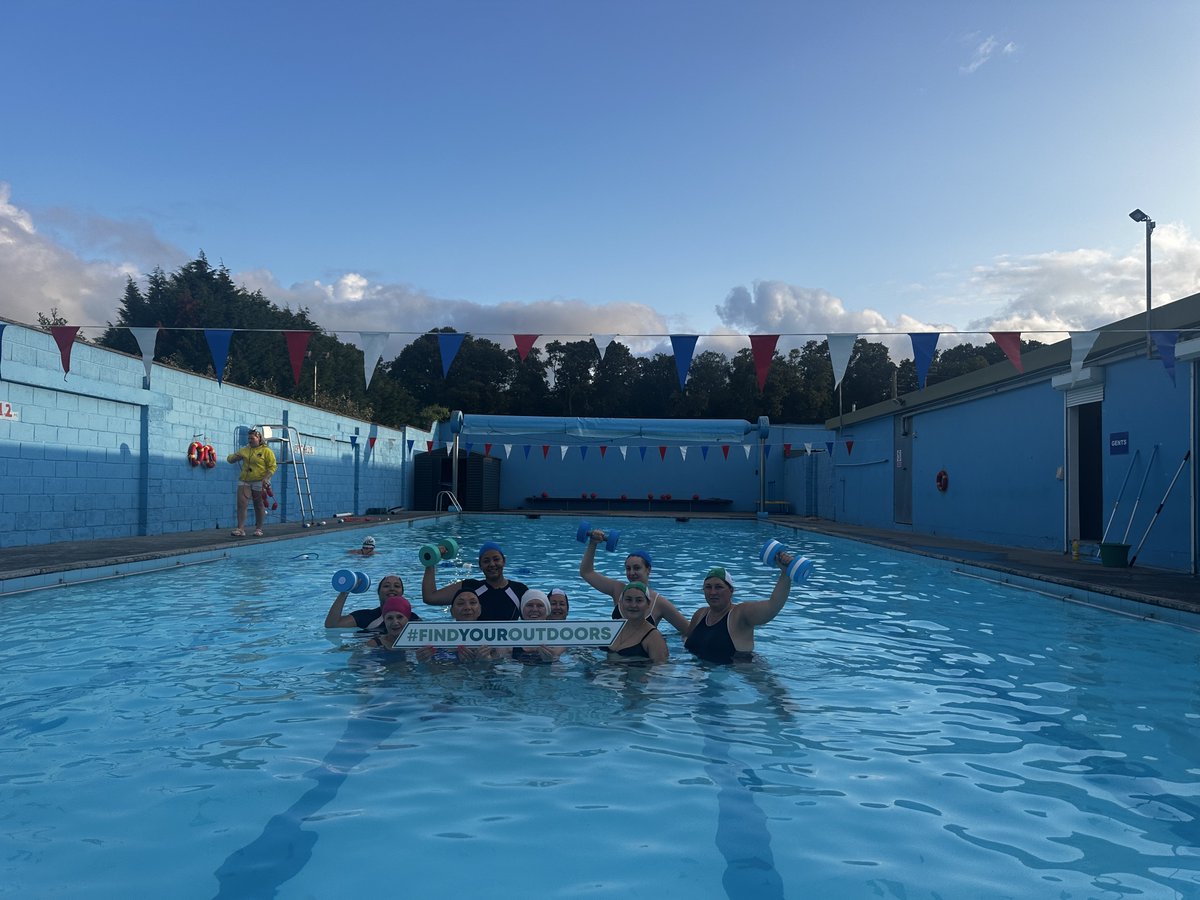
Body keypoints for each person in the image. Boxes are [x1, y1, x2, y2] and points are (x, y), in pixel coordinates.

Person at [684, 552, 801, 664]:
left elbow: (773, 606)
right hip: (700, 672)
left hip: (737, 673)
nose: (713, 592)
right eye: (708, 587)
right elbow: (685, 639)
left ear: (731, 591)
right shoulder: (700, 614)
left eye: (719, 587)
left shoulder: (739, 614)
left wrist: (785, 574)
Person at [579, 534, 690, 635]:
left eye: (637, 568)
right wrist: (592, 544)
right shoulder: (617, 589)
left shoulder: (658, 602)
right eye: (628, 569)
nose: (631, 573)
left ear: (648, 569)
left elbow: (688, 630)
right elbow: (587, 573)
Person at [422, 541, 527, 621]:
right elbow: (430, 597)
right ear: (480, 565)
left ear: (504, 561)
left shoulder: (519, 590)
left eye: (496, 559)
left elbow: (538, 616)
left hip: (507, 647)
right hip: (473, 647)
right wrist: (431, 561)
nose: (492, 564)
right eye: (486, 561)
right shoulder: (469, 587)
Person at [417, 588, 499, 662]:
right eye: (460, 603)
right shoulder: (436, 643)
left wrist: (486, 663)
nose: (467, 607)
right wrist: (425, 660)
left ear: (480, 610)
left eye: (473, 603)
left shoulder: (496, 643)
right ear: (452, 612)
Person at [226, 428, 277, 537]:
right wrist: (235, 457)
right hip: (245, 480)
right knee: (241, 503)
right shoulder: (244, 450)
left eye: (252, 438)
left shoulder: (266, 451)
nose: (249, 440)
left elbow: (272, 466)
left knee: (258, 505)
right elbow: (229, 459)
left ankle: (259, 528)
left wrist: (267, 478)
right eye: (248, 438)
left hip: (260, 480)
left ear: (259, 438)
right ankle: (240, 529)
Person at [325, 573, 420, 631]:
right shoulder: (366, 616)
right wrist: (345, 591)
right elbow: (332, 625)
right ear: (378, 592)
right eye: (386, 586)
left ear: (402, 592)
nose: (392, 589)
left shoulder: (412, 619)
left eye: (396, 586)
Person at [605, 582, 669, 663]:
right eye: (628, 600)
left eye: (639, 600)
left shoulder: (653, 637)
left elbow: (661, 670)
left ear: (648, 604)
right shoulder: (611, 628)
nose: (633, 605)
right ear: (621, 602)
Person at [510, 590, 563, 663]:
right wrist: (488, 660)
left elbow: (560, 671)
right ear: (522, 609)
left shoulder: (560, 639)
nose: (534, 609)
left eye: (540, 605)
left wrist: (550, 661)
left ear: (547, 610)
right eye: (530, 605)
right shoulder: (509, 639)